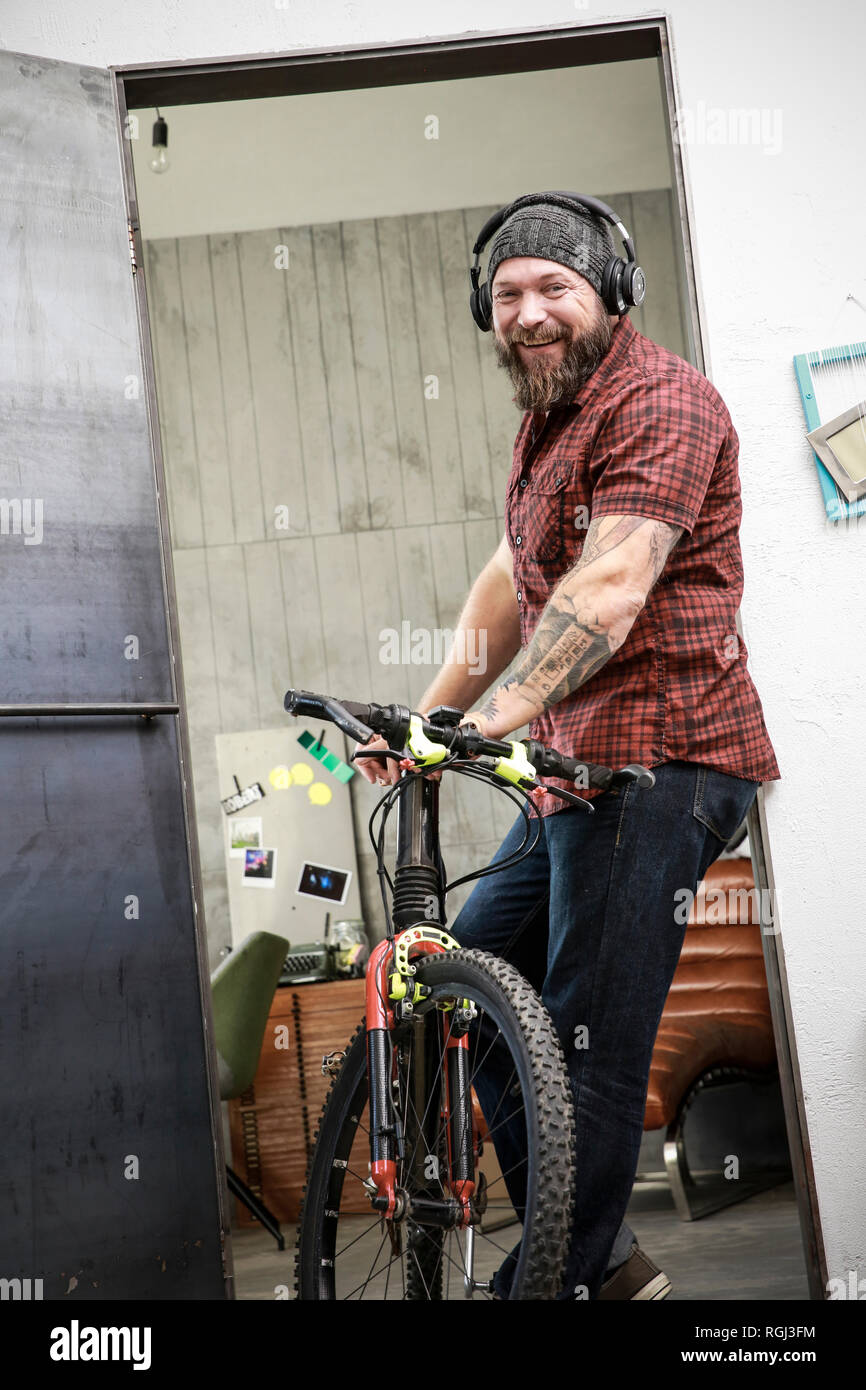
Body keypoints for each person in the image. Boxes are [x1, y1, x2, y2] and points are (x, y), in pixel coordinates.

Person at [355, 193, 781, 1300]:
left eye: (554, 288)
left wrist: (482, 728)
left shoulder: (661, 399)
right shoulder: (547, 418)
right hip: (570, 773)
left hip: (664, 759)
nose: (529, 312)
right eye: (507, 295)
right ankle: (601, 1259)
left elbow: (606, 589)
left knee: (587, 1043)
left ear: (608, 296)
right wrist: (433, 717)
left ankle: (546, 1284)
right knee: (470, 996)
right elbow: (510, 580)